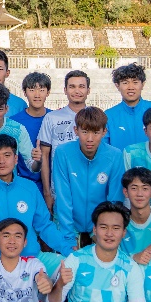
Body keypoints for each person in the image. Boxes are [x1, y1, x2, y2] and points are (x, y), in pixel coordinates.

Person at [0, 134, 73, 271]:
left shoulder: (29, 188)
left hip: (31, 260)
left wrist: (68, 250)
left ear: (16, 159)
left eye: (7, 155)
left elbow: (45, 226)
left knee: (73, 266)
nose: (1, 161)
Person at [52, 106, 125, 246]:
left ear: (104, 132)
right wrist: (68, 236)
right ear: (76, 130)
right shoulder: (63, 153)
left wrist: (101, 231)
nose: (90, 139)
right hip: (68, 223)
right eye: (85, 132)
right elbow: (63, 197)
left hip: (100, 225)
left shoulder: (115, 156)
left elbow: (114, 200)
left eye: (96, 133)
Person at [38, 70, 90, 211]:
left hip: (90, 192)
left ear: (88, 90)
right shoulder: (52, 118)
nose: (77, 91)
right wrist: (47, 193)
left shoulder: (96, 118)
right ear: (65, 90)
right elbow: (44, 155)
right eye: (72, 86)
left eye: (81, 86)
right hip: (60, 193)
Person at [105, 63, 151, 149]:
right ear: (117, 86)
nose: (131, 87)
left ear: (143, 84)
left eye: (135, 82)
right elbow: (104, 148)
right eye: (125, 83)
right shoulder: (108, 116)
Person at [11, 71, 51, 182]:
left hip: (52, 182)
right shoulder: (14, 122)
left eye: (41, 90)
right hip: (24, 182)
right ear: (24, 92)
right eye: (32, 90)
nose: (37, 95)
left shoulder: (54, 119)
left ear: (48, 92)